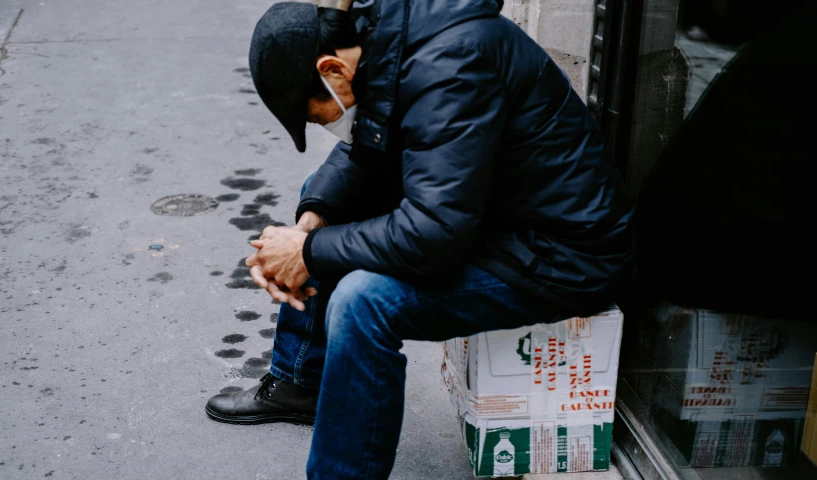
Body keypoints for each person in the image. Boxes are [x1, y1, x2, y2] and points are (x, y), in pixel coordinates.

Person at [206, 1, 635, 477]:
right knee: (320, 200)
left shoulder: (452, 67)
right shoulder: (386, 38)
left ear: (331, 69)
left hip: (560, 254)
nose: (322, 125)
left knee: (363, 300)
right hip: (493, 219)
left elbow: (434, 237)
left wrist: (306, 254)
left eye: (314, 114)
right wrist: (311, 224)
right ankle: (302, 382)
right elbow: (368, 145)